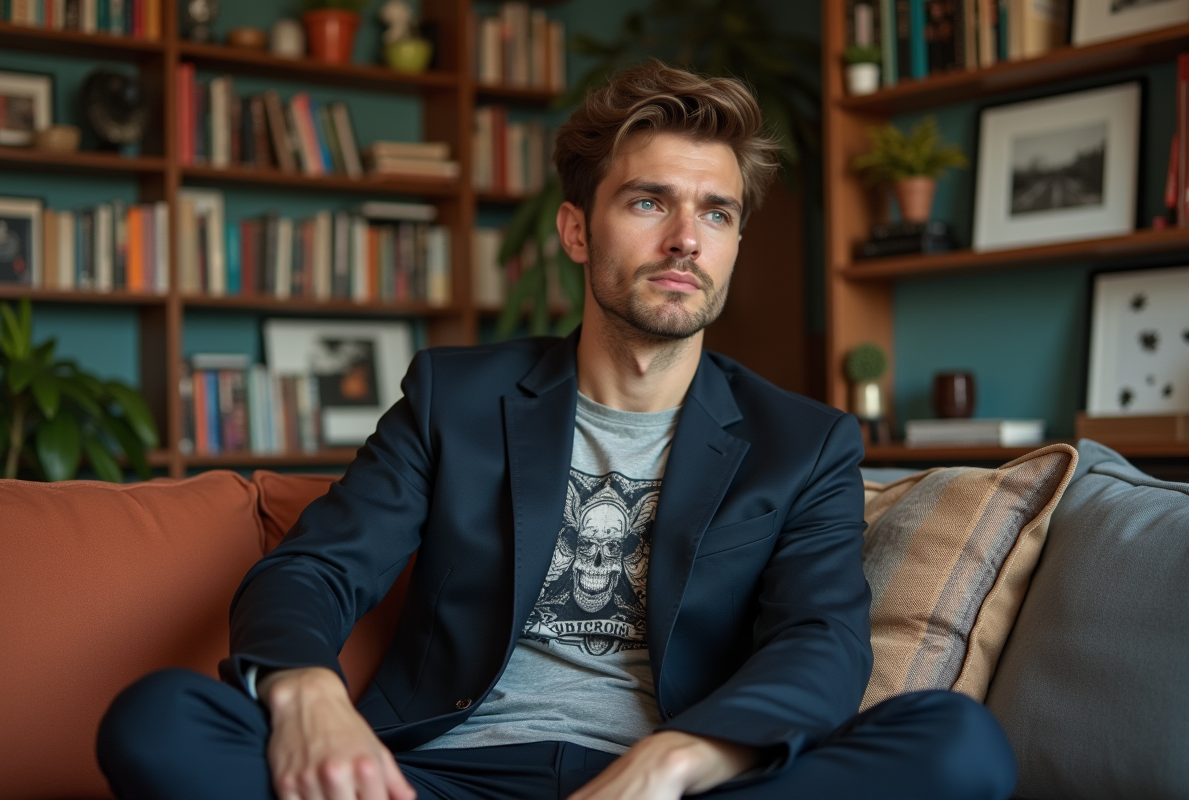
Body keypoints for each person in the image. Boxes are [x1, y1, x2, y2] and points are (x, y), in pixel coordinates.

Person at [97, 61, 1017, 800]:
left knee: (956, 743)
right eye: (650, 202)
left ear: (735, 241)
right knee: (157, 719)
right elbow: (316, 568)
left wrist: (678, 758)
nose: (687, 239)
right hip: (439, 773)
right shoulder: (454, 397)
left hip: (671, 782)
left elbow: (822, 641)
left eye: (718, 212)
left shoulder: (804, 442)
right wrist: (308, 697)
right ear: (577, 232)